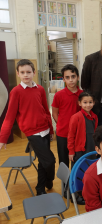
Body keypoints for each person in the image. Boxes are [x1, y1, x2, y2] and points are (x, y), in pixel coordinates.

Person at [0, 59, 55, 195]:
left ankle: (40, 189)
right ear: (18, 74)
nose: (26, 75)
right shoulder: (16, 92)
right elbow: (9, 117)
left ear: (34, 73)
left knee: (43, 161)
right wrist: (3, 138)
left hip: (46, 130)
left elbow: (45, 110)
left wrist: (51, 128)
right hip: (32, 132)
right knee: (50, 161)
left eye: (28, 72)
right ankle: (49, 179)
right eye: (22, 72)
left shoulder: (40, 89)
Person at [52, 64, 83, 169]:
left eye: (73, 76)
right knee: (63, 161)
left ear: (78, 77)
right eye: (67, 77)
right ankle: (64, 185)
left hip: (78, 135)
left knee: (77, 161)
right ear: (63, 79)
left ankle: (74, 183)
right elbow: (55, 113)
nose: (71, 80)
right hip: (63, 134)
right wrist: (61, 124)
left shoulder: (83, 95)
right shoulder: (58, 95)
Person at [68, 91, 98, 166]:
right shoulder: (75, 117)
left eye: (90, 102)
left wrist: (96, 147)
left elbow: (97, 135)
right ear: (79, 103)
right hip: (79, 151)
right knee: (79, 171)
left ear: (94, 103)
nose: (88, 105)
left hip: (91, 149)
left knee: (91, 169)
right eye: (85, 102)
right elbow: (71, 136)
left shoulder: (95, 117)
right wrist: (71, 151)